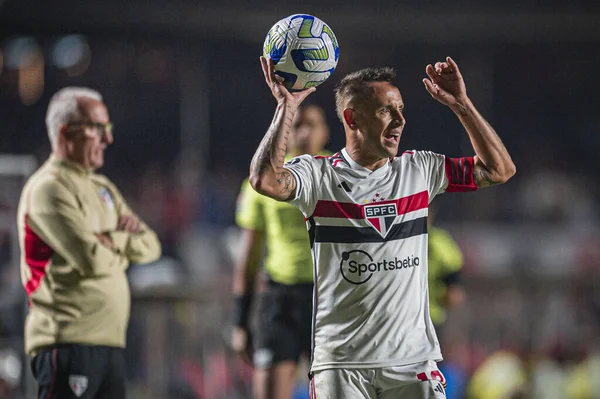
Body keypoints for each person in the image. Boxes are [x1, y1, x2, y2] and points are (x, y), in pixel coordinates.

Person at [249, 55, 516, 399]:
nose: (400, 120)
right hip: (341, 366)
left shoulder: (419, 170)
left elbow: (500, 170)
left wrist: (462, 104)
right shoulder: (319, 176)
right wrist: (286, 106)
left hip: (413, 362)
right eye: (386, 110)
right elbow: (264, 179)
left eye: (401, 109)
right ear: (352, 118)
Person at [17, 87, 162, 399]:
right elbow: (91, 259)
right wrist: (123, 242)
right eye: (98, 128)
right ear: (65, 132)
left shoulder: (102, 187)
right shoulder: (48, 188)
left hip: (109, 343)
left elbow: (150, 245)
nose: (108, 139)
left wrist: (109, 241)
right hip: (68, 342)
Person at [232, 104, 329, 399]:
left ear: (325, 131)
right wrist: (240, 320)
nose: (303, 132)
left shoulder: (340, 173)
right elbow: (248, 256)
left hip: (328, 299)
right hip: (280, 299)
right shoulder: (266, 181)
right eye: (296, 125)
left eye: (311, 124)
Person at [427, 209, 466, 340]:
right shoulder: (399, 239)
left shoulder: (437, 240)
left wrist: (453, 289)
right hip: (400, 313)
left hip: (430, 315)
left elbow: (453, 271)